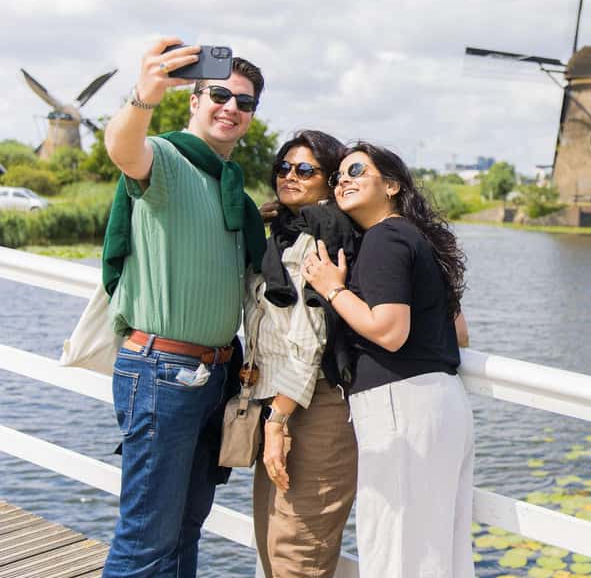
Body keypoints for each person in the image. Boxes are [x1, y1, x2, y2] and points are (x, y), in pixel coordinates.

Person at [100, 38, 267, 578]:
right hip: (162, 372)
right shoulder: (167, 161)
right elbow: (124, 149)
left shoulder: (233, 192)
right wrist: (144, 98)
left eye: (245, 103)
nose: (231, 108)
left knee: (185, 529)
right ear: (193, 99)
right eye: (220, 94)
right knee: (146, 539)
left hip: (214, 374)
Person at [302, 142, 474, 578]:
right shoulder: (419, 241)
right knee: (439, 552)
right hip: (441, 402)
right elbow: (461, 333)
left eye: (357, 169)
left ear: (392, 185)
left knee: (394, 551)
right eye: (338, 174)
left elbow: (389, 331)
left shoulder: (384, 237)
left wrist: (332, 287)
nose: (343, 179)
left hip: (401, 404)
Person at [245, 130, 358, 577]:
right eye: (284, 167)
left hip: (315, 404)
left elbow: (313, 333)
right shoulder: (285, 231)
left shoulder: (325, 235)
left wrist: (278, 420)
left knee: (297, 555)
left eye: (306, 169)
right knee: (271, 542)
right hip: (278, 400)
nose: (290, 175)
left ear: (329, 178)